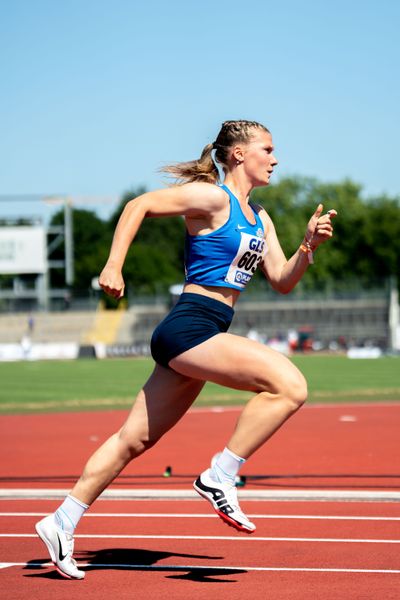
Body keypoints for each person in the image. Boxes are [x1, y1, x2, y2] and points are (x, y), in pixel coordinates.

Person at [35, 119, 337, 579]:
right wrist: (113, 265)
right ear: (239, 154)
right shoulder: (212, 198)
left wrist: (307, 246)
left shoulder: (262, 217)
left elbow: (282, 281)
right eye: (268, 149)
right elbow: (139, 205)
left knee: (132, 440)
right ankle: (220, 474)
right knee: (290, 385)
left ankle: (62, 520)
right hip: (190, 325)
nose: (276, 159)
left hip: (208, 327)